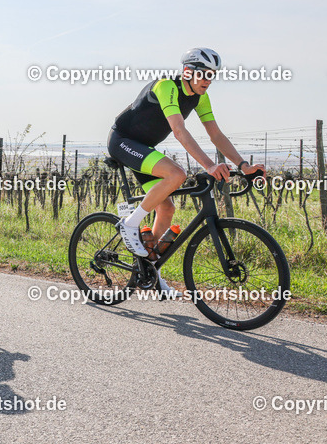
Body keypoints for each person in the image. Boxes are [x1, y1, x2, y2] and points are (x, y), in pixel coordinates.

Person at [109, 48, 266, 296]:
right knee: (177, 174)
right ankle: (130, 224)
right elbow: (179, 130)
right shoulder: (166, 87)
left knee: (167, 208)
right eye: (203, 74)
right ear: (187, 71)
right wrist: (209, 166)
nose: (208, 81)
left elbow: (216, 134)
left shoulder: (200, 98)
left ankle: (151, 274)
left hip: (144, 147)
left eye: (212, 76)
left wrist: (243, 165)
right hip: (123, 141)